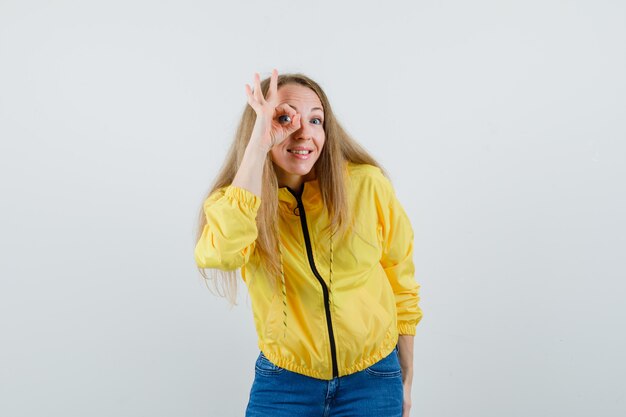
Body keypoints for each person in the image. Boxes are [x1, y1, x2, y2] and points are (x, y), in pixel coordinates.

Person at [194, 69, 423, 417]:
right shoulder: (235, 203)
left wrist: (404, 380)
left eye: (316, 121)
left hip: (373, 379)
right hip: (284, 384)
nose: (303, 133)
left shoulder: (367, 186)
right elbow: (219, 255)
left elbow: (401, 281)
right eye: (283, 118)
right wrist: (258, 147)